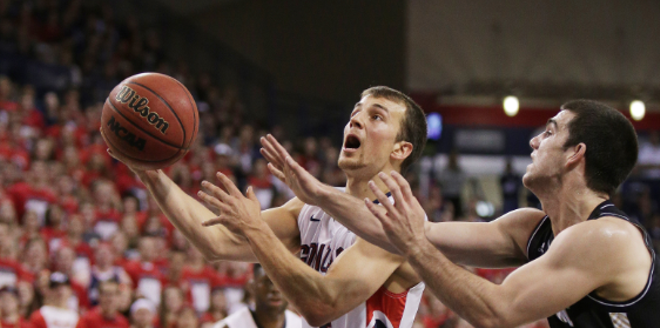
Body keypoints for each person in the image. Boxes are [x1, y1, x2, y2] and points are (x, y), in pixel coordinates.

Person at [261, 100, 659, 327]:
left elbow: (497, 312)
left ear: (577, 154)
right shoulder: (529, 229)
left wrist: (415, 244)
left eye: (551, 131)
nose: (535, 140)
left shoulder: (608, 238)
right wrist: (318, 194)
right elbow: (414, 232)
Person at [103, 86, 428, 328]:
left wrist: (255, 227)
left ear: (401, 149)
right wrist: (153, 176)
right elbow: (217, 242)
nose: (356, 120)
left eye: (376, 116)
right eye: (355, 112)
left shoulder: (399, 221)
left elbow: (321, 303)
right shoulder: (311, 208)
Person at [213, 264, 301, 328]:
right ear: (252, 287)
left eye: (281, 283)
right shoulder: (229, 326)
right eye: (268, 282)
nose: (276, 289)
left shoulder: (300, 325)